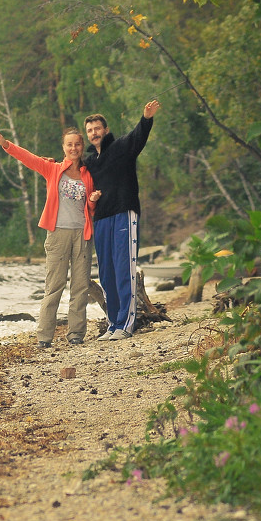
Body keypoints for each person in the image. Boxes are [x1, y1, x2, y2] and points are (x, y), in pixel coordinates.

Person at [0, 127, 96, 348]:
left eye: (77, 144)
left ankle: (76, 333)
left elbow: (91, 207)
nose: (73, 148)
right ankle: (45, 337)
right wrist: (5, 143)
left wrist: (93, 199)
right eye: (69, 144)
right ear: (63, 148)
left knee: (80, 286)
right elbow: (28, 158)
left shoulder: (89, 173)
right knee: (54, 285)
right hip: (57, 234)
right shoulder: (52, 169)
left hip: (83, 235)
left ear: (82, 147)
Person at [83, 99, 162, 340]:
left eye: (97, 128)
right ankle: (113, 323)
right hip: (102, 218)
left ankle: (127, 324)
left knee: (122, 267)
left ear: (105, 130)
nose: (94, 133)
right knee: (106, 272)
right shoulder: (89, 163)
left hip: (124, 213)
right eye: (90, 130)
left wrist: (146, 118)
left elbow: (138, 137)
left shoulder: (120, 147)